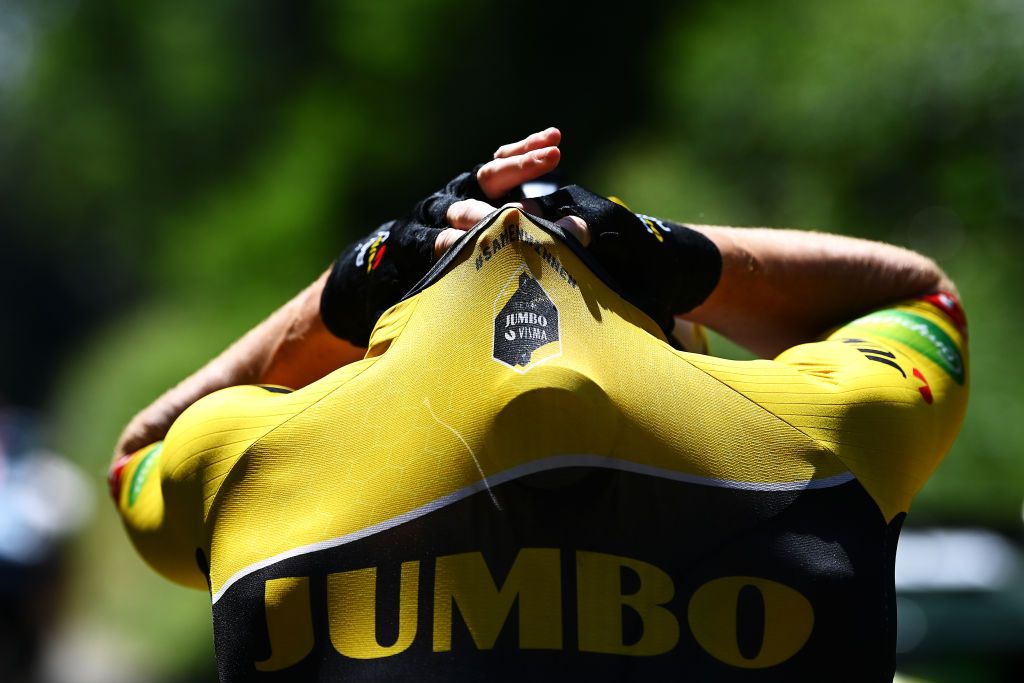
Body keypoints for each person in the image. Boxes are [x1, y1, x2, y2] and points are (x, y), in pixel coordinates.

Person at [109, 128, 968, 682]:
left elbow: (139, 454)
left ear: (387, 335)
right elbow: (928, 304)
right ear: (674, 337)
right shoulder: (812, 439)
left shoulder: (250, 463)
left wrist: (349, 286)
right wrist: (674, 255)